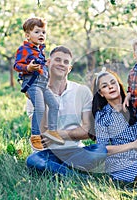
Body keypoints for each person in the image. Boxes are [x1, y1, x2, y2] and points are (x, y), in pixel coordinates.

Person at [26, 46, 107, 175]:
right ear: (48, 62)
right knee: (33, 161)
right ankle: (76, 175)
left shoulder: (82, 91)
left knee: (101, 150)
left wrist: (57, 135)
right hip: (47, 153)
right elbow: (41, 132)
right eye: (57, 60)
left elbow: (88, 130)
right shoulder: (35, 92)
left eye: (66, 62)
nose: (61, 64)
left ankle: (58, 170)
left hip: (75, 150)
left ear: (69, 68)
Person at [14, 17, 64, 150]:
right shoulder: (24, 49)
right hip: (33, 84)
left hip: (43, 84)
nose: (41, 35)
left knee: (54, 105)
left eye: (43, 32)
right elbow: (17, 65)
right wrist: (28, 68)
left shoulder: (40, 50)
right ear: (27, 35)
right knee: (40, 108)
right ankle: (35, 136)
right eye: (37, 32)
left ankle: (52, 131)